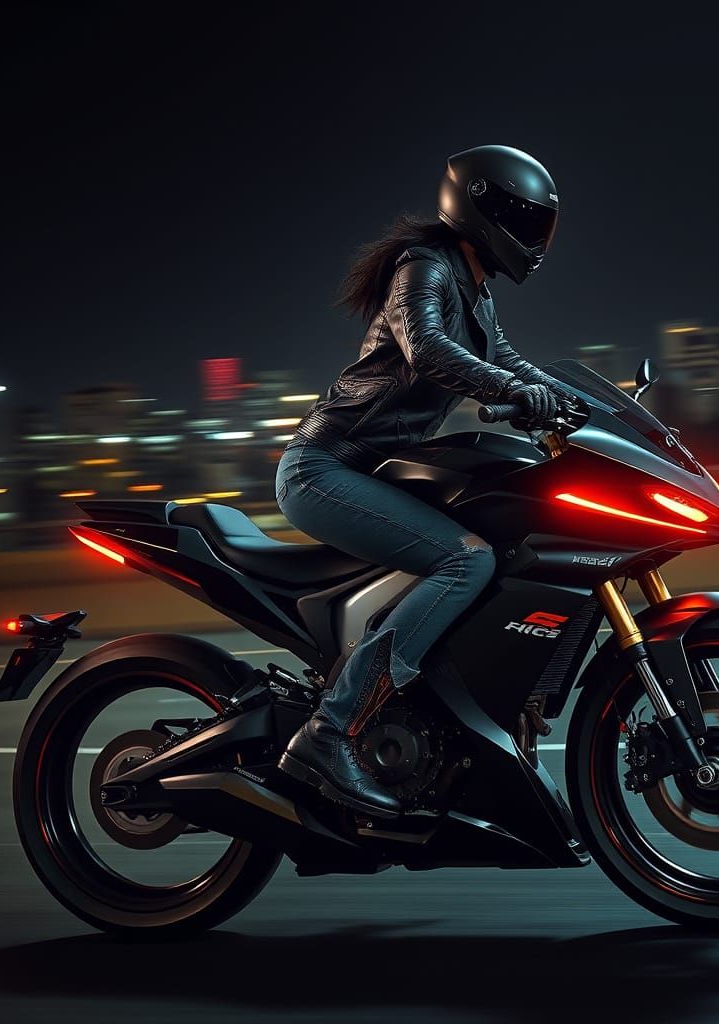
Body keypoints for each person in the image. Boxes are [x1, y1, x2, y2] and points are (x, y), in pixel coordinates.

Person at [275, 145, 570, 817]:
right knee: (466, 562)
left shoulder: (476, 291)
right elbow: (428, 348)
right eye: (527, 223)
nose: (535, 240)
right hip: (325, 468)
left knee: (500, 547)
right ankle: (332, 729)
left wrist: (581, 405)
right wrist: (512, 390)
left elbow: (511, 361)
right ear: (484, 211)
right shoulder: (425, 268)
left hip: (376, 474)